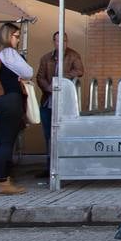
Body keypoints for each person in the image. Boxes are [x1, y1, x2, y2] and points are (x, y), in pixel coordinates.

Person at [0, 22, 34, 195]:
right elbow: (28, 72)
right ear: (8, 36)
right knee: (7, 142)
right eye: (16, 36)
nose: (18, 40)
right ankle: (4, 182)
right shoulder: (9, 52)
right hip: (10, 99)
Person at [34, 32, 86, 167]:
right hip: (48, 101)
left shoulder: (73, 55)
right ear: (54, 42)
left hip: (65, 103)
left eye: (64, 41)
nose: (61, 43)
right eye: (58, 41)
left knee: (64, 134)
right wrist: (48, 87)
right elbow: (39, 77)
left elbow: (80, 71)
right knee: (48, 135)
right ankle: (49, 167)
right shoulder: (46, 58)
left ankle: (64, 166)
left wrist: (61, 79)